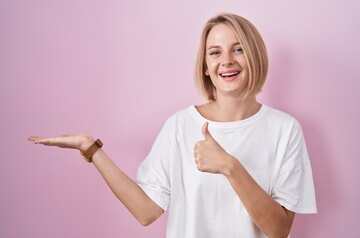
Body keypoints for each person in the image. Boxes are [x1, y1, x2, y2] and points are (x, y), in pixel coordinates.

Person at [28, 13, 317, 238]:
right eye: (215, 52)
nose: (226, 61)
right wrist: (91, 149)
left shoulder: (284, 130)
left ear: (254, 56)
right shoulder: (180, 125)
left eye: (238, 49)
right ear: (205, 66)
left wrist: (230, 166)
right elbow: (146, 211)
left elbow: (279, 231)